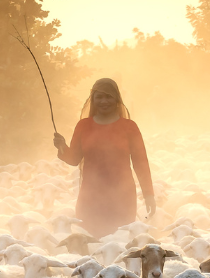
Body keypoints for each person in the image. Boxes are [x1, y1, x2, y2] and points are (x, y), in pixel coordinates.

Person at [54, 78, 155, 237]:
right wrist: (62, 146)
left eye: (109, 97)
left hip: (122, 197)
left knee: (120, 241)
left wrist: (149, 195)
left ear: (117, 100)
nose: (104, 101)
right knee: (88, 239)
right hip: (91, 196)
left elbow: (141, 163)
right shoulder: (83, 126)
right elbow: (74, 159)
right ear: (92, 100)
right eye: (99, 97)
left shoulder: (129, 127)